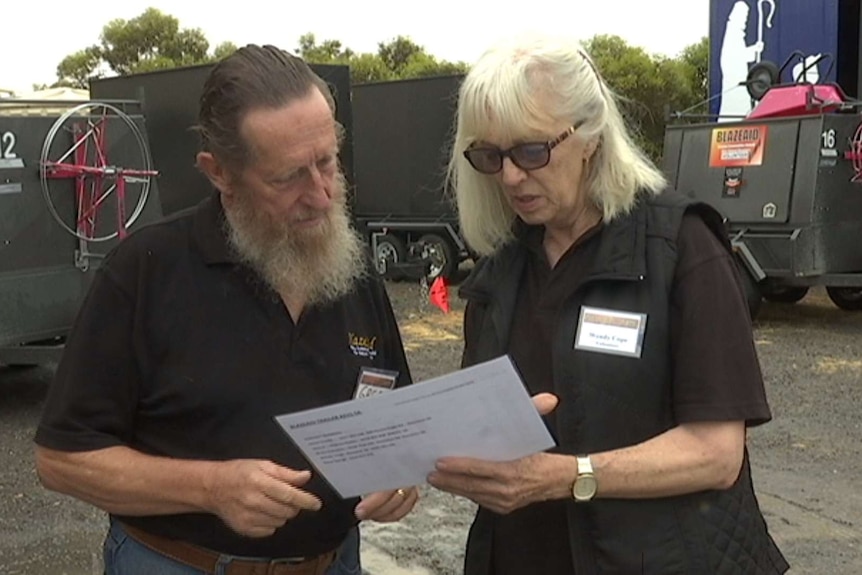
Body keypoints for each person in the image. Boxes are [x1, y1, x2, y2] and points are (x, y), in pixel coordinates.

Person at [33, 44, 418, 575]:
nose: (322, 196)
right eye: (288, 178)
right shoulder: (145, 272)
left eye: (327, 162)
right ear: (219, 174)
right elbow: (61, 460)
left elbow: (396, 424)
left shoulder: (353, 272)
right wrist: (210, 488)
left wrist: (399, 474)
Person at [427, 32, 790, 574]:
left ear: (591, 136)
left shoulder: (681, 247)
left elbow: (716, 454)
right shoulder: (500, 271)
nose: (509, 176)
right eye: (491, 155)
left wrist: (569, 475)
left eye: (532, 150)